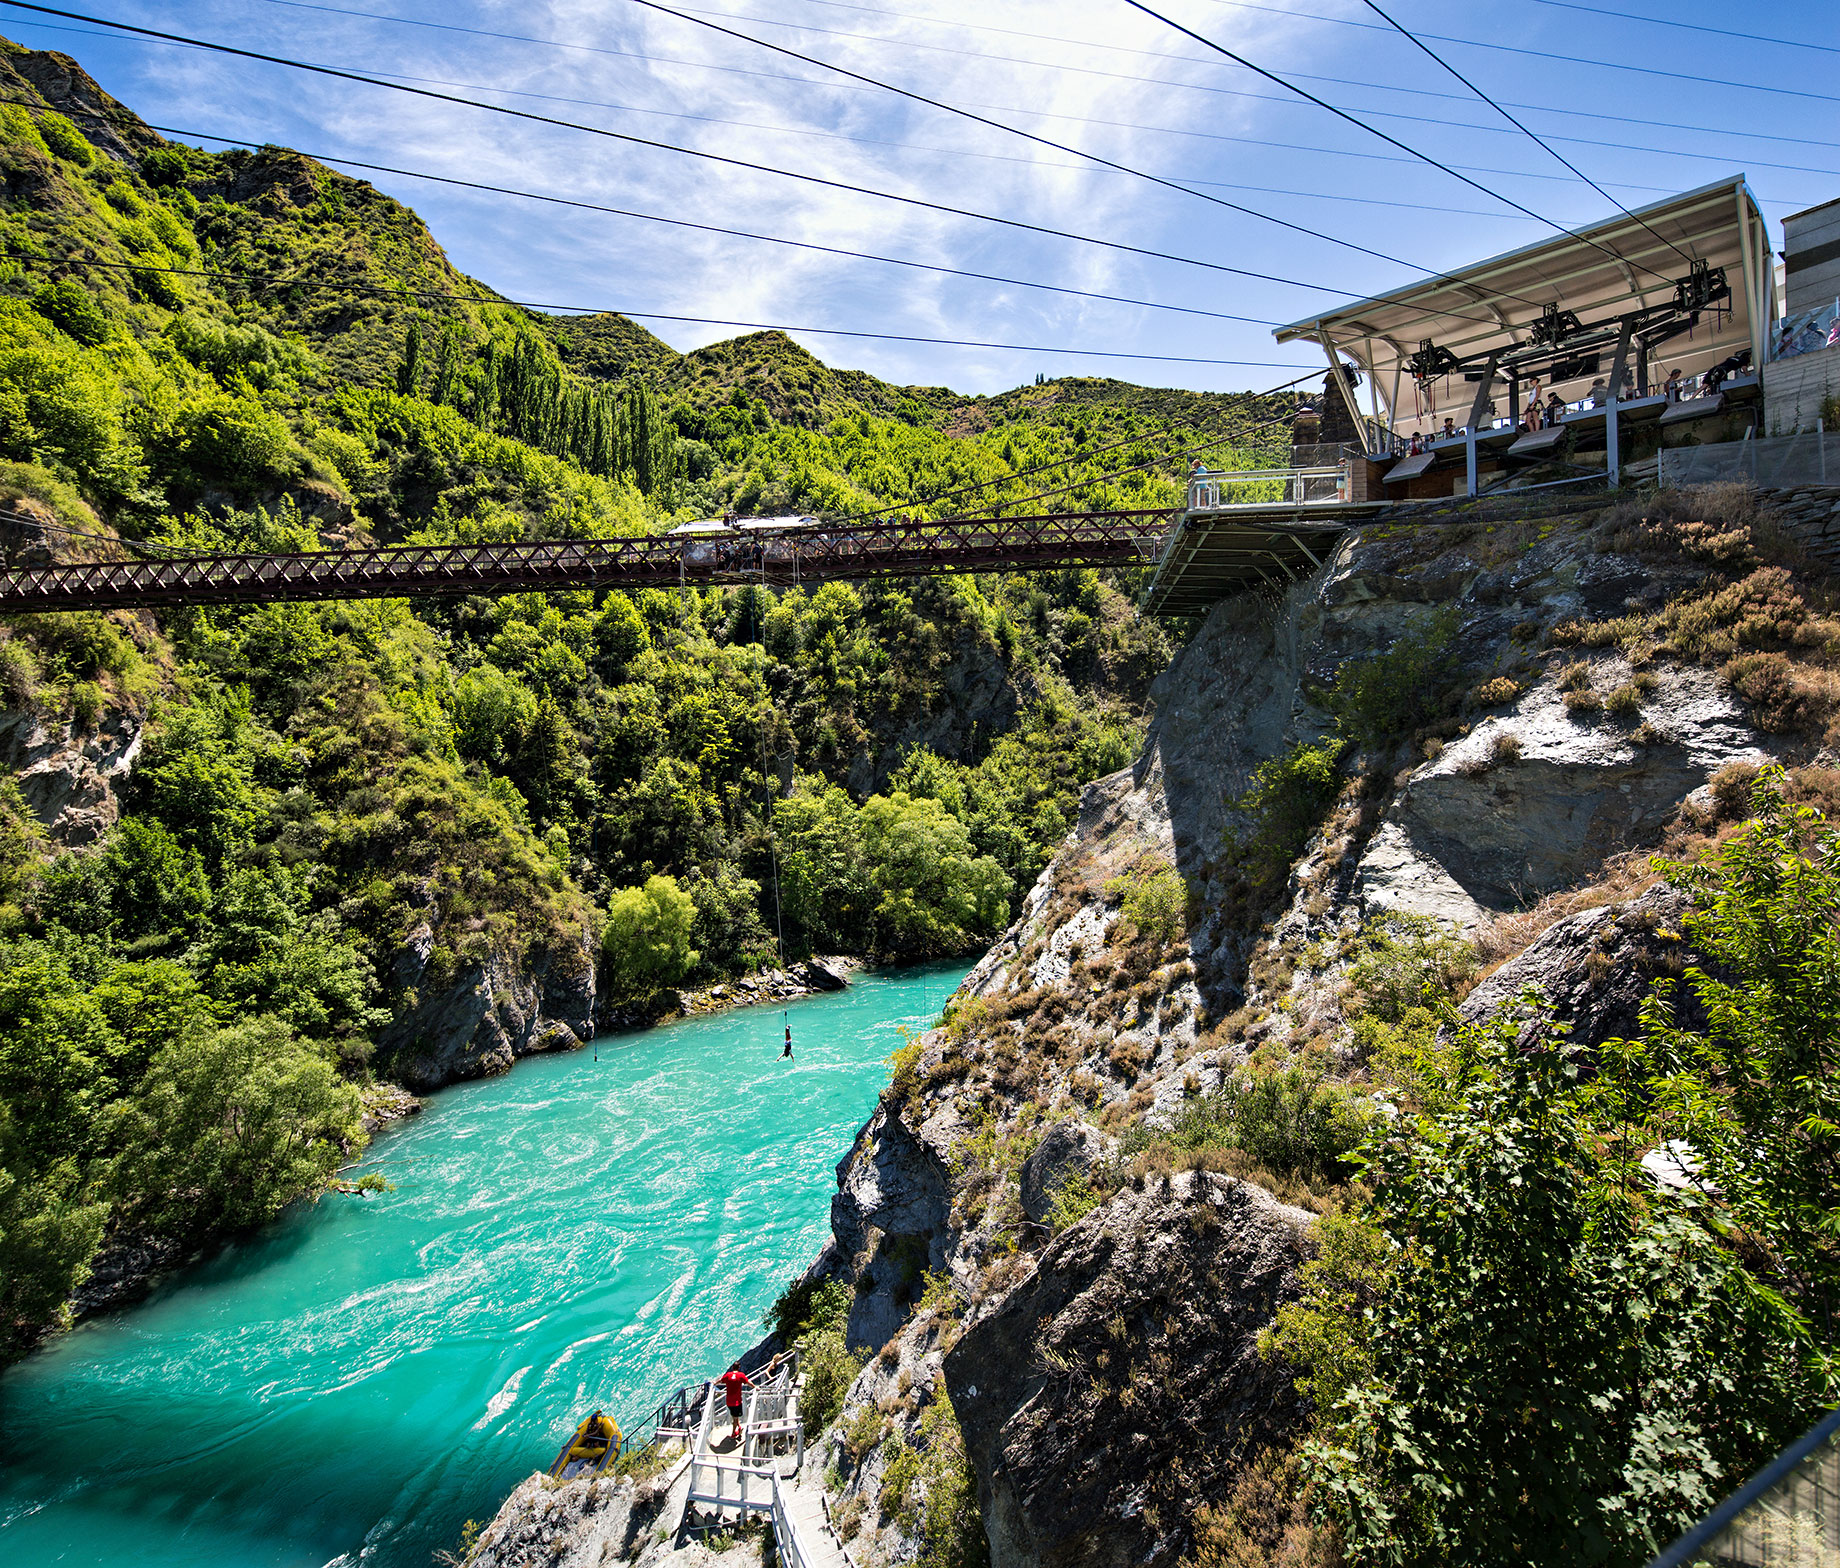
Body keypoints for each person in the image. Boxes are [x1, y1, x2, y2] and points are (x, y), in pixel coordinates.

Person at [719, 1363, 753, 1443]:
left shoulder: (728, 1375)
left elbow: (720, 1381)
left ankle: (739, 1428)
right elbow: (748, 1382)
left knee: (735, 1416)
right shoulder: (741, 1375)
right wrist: (755, 1387)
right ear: (739, 1367)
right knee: (735, 1418)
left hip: (729, 1401)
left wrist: (714, 1383)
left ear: (732, 1367)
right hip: (737, 1402)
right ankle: (734, 1433)